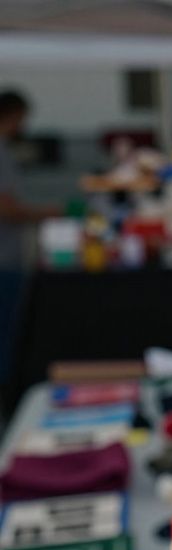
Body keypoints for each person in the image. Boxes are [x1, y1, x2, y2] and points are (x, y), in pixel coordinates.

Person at [0, 90, 59, 387]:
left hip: (8, 257)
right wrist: (47, 212)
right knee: (6, 333)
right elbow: (6, 207)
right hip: (4, 260)